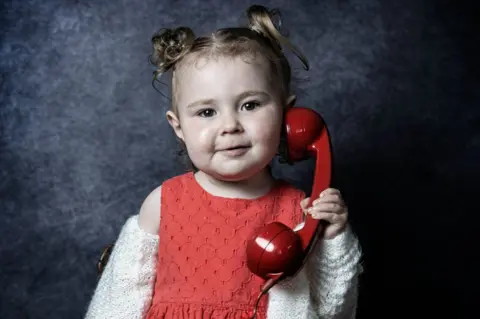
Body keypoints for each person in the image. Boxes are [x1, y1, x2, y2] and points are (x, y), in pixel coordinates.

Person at [85, 4, 362, 319]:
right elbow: (116, 300)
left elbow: (332, 309)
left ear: (287, 115)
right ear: (179, 127)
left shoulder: (299, 211)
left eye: (250, 104)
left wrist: (332, 238)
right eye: (207, 112)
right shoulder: (162, 204)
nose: (230, 125)